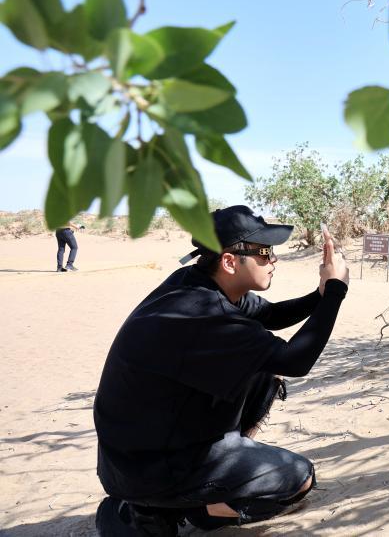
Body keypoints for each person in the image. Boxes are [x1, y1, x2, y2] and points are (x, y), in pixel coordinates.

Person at [92, 205, 350, 536]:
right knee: (299, 477)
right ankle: (172, 509)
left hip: (130, 455)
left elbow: (270, 315)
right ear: (229, 261)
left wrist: (322, 293)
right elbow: (295, 360)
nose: (274, 260)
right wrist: (336, 294)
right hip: (147, 466)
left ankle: (161, 502)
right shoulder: (204, 317)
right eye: (264, 253)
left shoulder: (198, 283)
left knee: (261, 372)